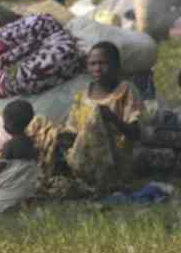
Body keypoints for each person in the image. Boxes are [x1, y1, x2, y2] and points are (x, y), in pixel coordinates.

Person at [29, 42, 143, 199]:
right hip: (81, 153)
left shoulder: (125, 90)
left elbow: (135, 134)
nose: (97, 68)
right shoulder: (83, 95)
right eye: (93, 64)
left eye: (103, 63)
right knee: (40, 126)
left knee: (94, 124)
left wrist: (111, 118)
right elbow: (72, 130)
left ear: (116, 65)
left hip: (113, 158)